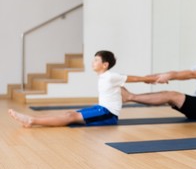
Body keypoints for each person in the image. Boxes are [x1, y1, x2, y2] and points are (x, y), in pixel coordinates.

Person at [8, 50, 157, 128]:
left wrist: (152, 79)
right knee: (70, 114)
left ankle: (31, 120)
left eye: (96, 60)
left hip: (108, 115)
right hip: (101, 109)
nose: (93, 62)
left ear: (105, 65)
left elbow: (136, 78)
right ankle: (32, 120)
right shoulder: (104, 77)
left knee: (70, 117)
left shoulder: (111, 76)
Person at [121, 40, 196, 120]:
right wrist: (152, 77)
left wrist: (170, 76)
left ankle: (130, 97)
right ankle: (130, 96)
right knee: (168, 95)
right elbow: (180, 73)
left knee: (171, 95)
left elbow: (190, 75)